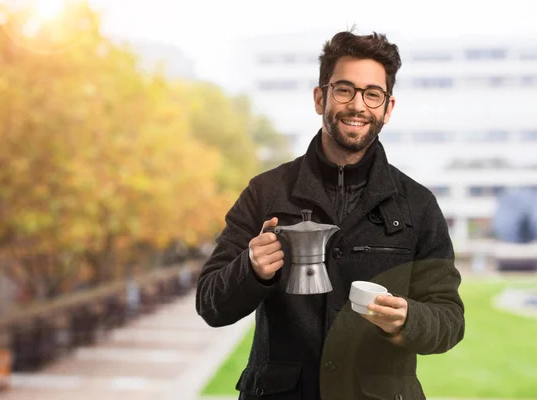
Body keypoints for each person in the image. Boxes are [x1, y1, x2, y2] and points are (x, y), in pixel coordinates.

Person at [196, 29, 465, 400]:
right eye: (344, 90)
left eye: (373, 94)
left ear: (388, 107)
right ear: (320, 97)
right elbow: (210, 304)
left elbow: (450, 319)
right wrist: (251, 268)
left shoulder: (418, 205)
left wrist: (407, 320)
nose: (358, 105)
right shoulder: (265, 192)